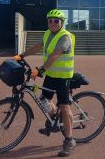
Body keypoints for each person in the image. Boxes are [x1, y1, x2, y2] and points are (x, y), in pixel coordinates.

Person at [14, 9, 76, 157]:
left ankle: (69, 140)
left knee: (65, 107)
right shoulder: (48, 34)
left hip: (63, 78)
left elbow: (55, 55)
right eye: (50, 20)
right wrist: (21, 55)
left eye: (56, 21)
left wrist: (41, 70)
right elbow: (37, 46)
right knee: (43, 99)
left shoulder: (65, 37)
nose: (53, 23)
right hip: (51, 75)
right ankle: (55, 118)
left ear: (61, 23)